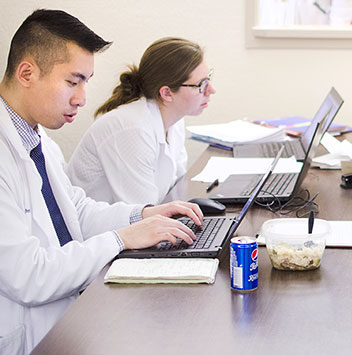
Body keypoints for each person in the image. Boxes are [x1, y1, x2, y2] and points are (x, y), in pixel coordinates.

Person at [0, 10, 203, 354]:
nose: (81, 98)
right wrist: (120, 239)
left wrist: (144, 216)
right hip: (32, 336)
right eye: (72, 81)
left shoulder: (37, 139)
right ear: (27, 73)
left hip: (71, 313)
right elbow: (28, 277)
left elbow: (75, 211)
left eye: (85, 82)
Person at [67, 37, 215, 204]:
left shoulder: (174, 121)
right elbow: (142, 214)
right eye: (201, 85)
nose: (211, 90)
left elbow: (176, 189)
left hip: (139, 223)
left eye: (209, 78)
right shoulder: (132, 129)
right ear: (166, 93)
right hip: (101, 228)